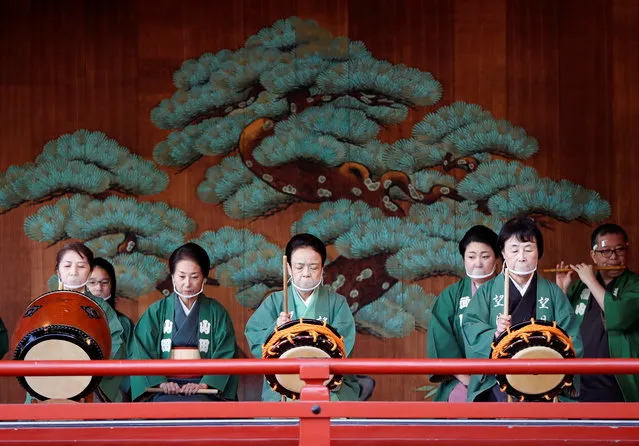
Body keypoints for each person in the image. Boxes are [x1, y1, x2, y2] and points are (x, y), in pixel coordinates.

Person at [462, 217, 582, 402]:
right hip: (498, 381)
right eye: (514, 249)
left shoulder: (552, 293)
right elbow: (471, 326)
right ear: (502, 251)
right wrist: (495, 334)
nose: (521, 256)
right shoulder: (488, 291)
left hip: (544, 380)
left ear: (538, 252)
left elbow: (572, 337)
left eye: (528, 249)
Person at [245, 233, 360, 401]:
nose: (306, 273)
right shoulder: (275, 302)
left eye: (313, 267)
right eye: (299, 267)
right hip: (284, 383)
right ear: (289, 268)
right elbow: (255, 338)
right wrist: (275, 329)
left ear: (322, 269)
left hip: (326, 383)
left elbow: (344, 344)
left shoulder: (336, 303)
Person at [129, 242, 239, 402]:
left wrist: (205, 384)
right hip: (165, 386)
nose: (187, 283)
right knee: (163, 407)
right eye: (181, 276)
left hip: (204, 387)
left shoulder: (216, 312)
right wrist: (160, 382)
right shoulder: (156, 311)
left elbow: (226, 351)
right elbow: (141, 349)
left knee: (201, 406)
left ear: (204, 278)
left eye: (194, 277)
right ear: (172, 276)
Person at [26, 243, 126, 402]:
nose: (73, 272)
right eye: (67, 266)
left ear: (90, 271)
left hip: (90, 381)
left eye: (81, 266)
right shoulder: (44, 305)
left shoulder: (101, 308)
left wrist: (88, 371)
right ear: (58, 270)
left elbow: (115, 343)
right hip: (49, 378)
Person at [556, 223, 639, 401]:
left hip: (615, 383)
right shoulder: (579, 286)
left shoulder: (634, 285)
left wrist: (591, 281)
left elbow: (620, 316)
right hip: (578, 382)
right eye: (605, 251)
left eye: (620, 250)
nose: (614, 257)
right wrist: (562, 291)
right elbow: (558, 327)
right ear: (593, 255)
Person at [427, 225, 499, 402]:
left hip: (505, 379)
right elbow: (442, 340)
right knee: (458, 400)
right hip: (464, 378)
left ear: (498, 259)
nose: (478, 263)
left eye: (485, 256)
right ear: (464, 259)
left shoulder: (509, 292)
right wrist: (468, 380)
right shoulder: (452, 296)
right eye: (471, 256)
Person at [88, 257, 135, 398]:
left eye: (104, 282)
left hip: (115, 388)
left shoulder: (123, 323)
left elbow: (133, 359)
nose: (98, 288)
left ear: (112, 285)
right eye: (92, 282)